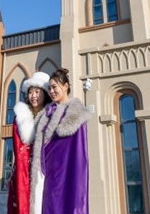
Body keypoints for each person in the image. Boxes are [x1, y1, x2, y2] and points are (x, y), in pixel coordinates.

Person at [30, 68, 90, 214]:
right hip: (46, 174)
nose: (51, 91)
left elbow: (79, 154)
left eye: (54, 87)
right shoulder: (45, 114)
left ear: (65, 86)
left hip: (66, 175)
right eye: (49, 88)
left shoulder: (75, 116)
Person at [7, 72, 52, 214]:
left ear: (45, 94)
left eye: (37, 92)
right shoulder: (20, 118)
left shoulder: (50, 117)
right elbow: (19, 150)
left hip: (46, 170)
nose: (33, 96)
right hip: (23, 172)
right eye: (31, 92)